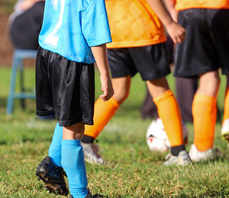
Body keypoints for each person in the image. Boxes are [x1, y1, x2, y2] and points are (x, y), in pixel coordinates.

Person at [81, 0, 190, 166]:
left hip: (114, 32)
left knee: (118, 90)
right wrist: (169, 23)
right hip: (143, 29)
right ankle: (178, 152)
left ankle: (84, 141)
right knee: (161, 92)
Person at [34, 0, 114, 198]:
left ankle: (52, 165)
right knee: (75, 128)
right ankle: (79, 195)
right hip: (71, 58)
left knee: (68, 116)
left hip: (47, 51)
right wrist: (105, 73)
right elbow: (95, 33)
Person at [168, 0, 229, 161]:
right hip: (227, 7)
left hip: (189, 9)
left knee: (208, 79)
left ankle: (202, 147)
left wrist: (172, 16)